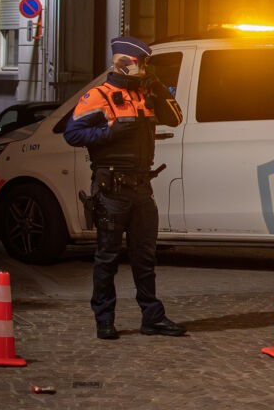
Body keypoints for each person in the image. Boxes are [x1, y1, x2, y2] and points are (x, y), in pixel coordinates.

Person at [64, 36, 185, 340]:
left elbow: (175, 119)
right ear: (123, 63)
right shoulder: (98, 96)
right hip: (112, 189)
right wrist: (110, 131)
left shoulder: (146, 94)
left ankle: (152, 318)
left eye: (146, 63)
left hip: (142, 189)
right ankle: (104, 319)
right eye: (140, 63)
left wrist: (159, 87)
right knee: (107, 258)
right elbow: (72, 134)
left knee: (145, 258)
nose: (144, 68)